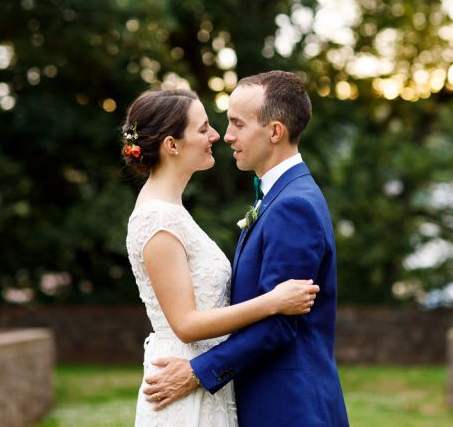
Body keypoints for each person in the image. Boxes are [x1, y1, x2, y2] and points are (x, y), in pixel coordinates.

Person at [142, 72, 349, 426]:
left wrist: (196, 373)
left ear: (274, 131)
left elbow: (280, 326)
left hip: (290, 407)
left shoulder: (292, 205)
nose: (226, 135)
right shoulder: (279, 196)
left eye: (238, 123)